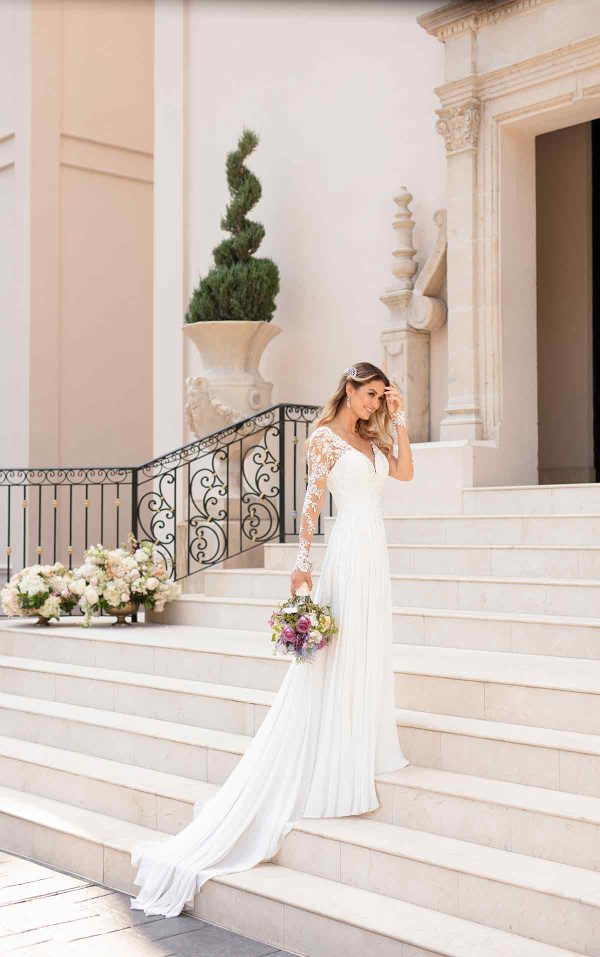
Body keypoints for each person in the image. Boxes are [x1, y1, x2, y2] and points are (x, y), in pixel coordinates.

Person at [129, 361, 414, 918]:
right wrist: (302, 566)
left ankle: (367, 737)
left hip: (375, 550)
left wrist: (399, 420)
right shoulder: (327, 438)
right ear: (349, 390)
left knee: (370, 648)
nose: (375, 403)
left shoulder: (373, 435)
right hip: (348, 550)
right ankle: (336, 755)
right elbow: (310, 505)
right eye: (370, 395)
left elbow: (402, 474)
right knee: (341, 653)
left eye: (382, 396)